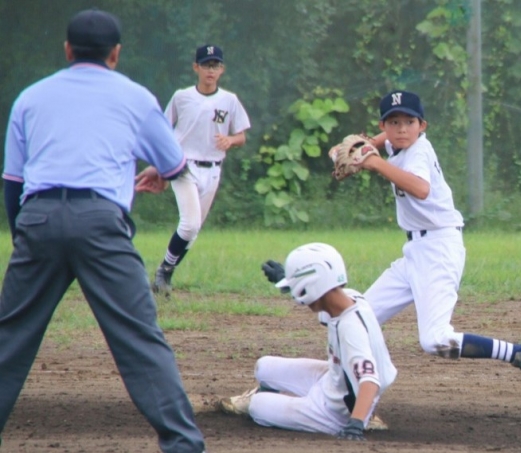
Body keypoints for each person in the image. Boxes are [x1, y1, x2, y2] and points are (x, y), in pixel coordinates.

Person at [0, 9, 206, 453]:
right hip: (100, 222)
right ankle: (183, 444)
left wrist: (27, 241)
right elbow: (174, 165)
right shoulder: (135, 97)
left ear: (67, 50)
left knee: (9, 337)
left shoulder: (31, 98)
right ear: (115, 54)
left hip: (38, 217)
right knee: (138, 336)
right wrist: (158, 171)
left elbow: (13, 184)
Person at [262, 90, 521, 393]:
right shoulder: (397, 142)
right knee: (347, 315)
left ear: (422, 126)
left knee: (436, 339)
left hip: (439, 249)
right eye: (393, 122)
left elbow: (421, 189)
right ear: (383, 126)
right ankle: (300, 292)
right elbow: (385, 140)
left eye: (409, 122)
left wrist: (374, 162)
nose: (401, 129)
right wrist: (367, 145)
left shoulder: (419, 152)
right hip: (416, 251)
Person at [220, 243, 397, 441]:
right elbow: (325, 307)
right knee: (263, 366)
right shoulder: (350, 298)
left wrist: (355, 425)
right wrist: (288, 281)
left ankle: (362, 416)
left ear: (314, 284)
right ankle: (291, 397)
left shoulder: (351, 329)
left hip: (334, 412)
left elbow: (370, 381)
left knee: (257, 406)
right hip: (333, 379)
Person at [143, 43, 251, 297]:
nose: (210, 70)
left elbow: (241, 136)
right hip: (183, 166)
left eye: (215, 65)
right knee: (189, 224)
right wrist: (160, 163)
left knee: (193, 232)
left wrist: (230, 140)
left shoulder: (229, 100)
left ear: (222, 69)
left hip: (213, 169)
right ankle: (164, 271)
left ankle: (165, 271)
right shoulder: (182, 97)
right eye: (205, 65)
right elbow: (163, 130)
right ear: (196, 67)